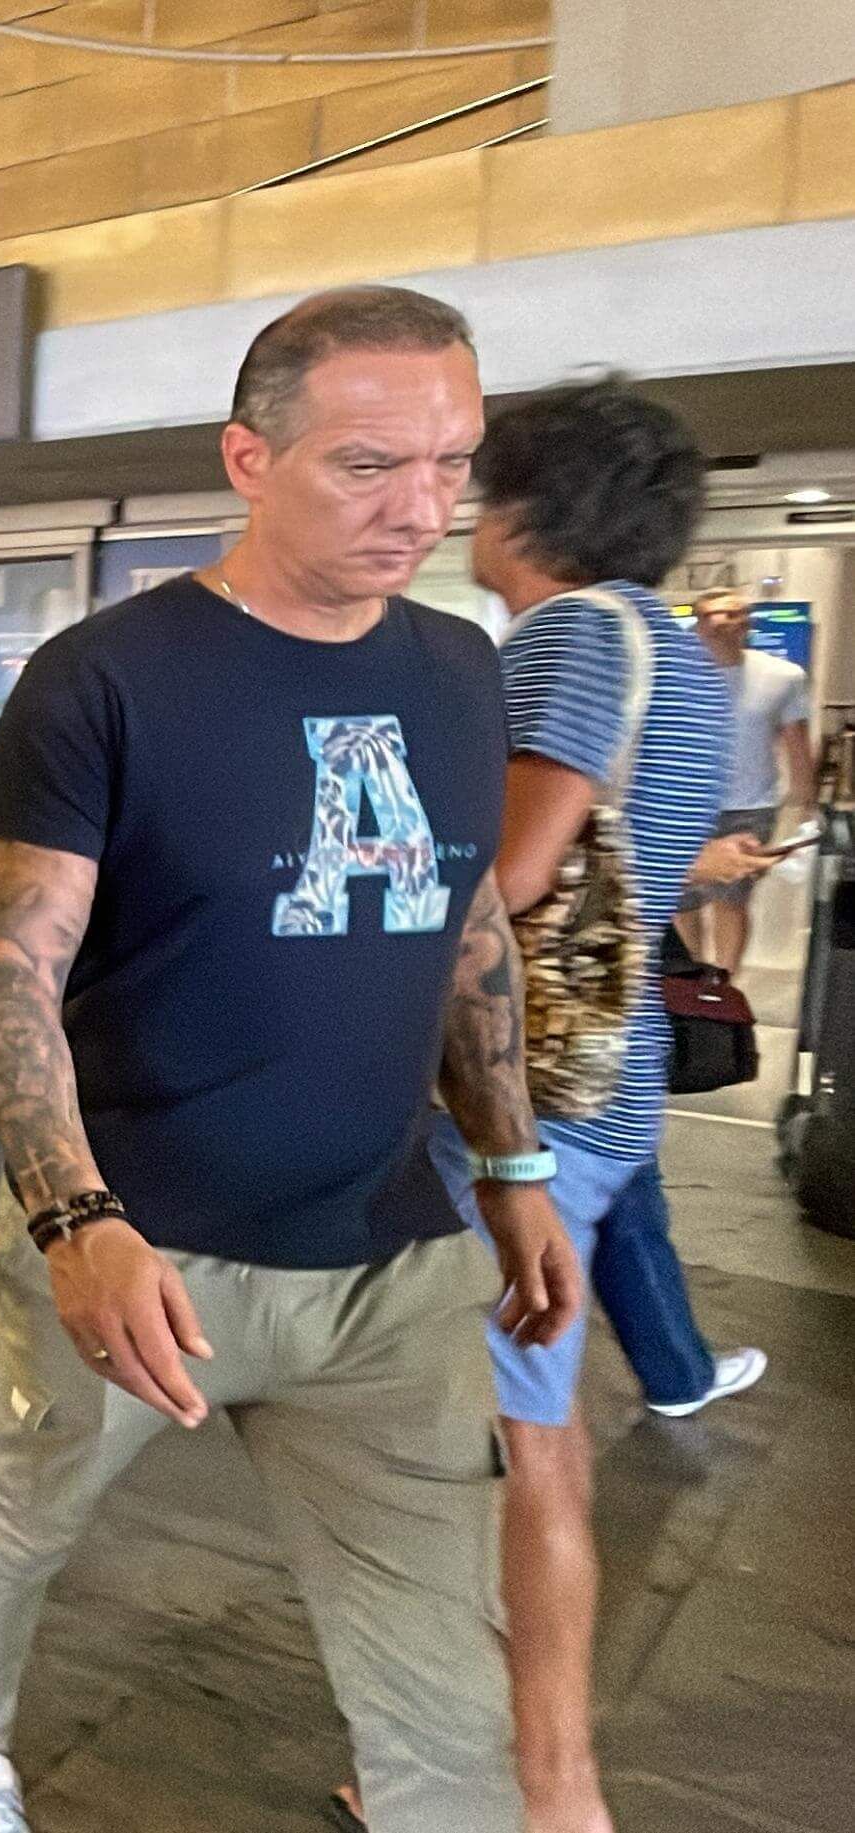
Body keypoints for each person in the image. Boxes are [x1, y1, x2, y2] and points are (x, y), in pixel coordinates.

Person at [0, 286, 579, 1833]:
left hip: (385, 1263)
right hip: (140, 1256)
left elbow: (466, 922)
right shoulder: (105, 680)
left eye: (447, 464)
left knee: (440, 1685)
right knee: (21, 1514)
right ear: (244, 458)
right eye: (365, 466)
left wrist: (513, 1163)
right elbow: (11, 972)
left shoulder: (458, 668)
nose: (418, 509)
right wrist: (75, 1223)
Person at [428, 379, 764, 1833]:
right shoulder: (680, 661)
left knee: (517, 1446)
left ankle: (546, 1789)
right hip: (608, 1087)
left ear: (525, 508)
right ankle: (464, 1754)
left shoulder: (569, 633)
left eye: (471, 478)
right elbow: (642, 865)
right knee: (524, 1432)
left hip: (527, 1105)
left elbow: (502, 880)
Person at [678, 587, 814, 972]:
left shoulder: (782, 676)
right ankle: (690, 982)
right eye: (710, 615)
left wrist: (805, 812)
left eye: (732, 614)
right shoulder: (671, 677)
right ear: (699, 624)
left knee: (731, 898)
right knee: (681, 901)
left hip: (750, 805)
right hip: (684, 806)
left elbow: (797, 745)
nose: (720, 622)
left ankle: (722, 984)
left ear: (747, 623)